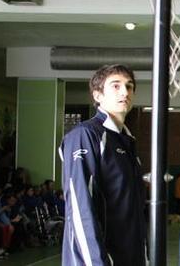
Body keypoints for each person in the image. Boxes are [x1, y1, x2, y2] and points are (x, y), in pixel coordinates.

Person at [59, 64, 147, 266]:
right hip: (98, 259)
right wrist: (96, 261)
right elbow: (80, 207)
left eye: (129, 86)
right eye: (115, 86)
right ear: (97, 95)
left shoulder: (126, 140)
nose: (125, 91)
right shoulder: (85, 135)